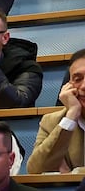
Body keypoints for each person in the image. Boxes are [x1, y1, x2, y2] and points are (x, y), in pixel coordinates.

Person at [28, 47, 85, 175]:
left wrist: (75, 173)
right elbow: (36, 170)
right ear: (68, 85)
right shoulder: (52, 121)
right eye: (77, 79)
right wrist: (71, 116)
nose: (84, 86)